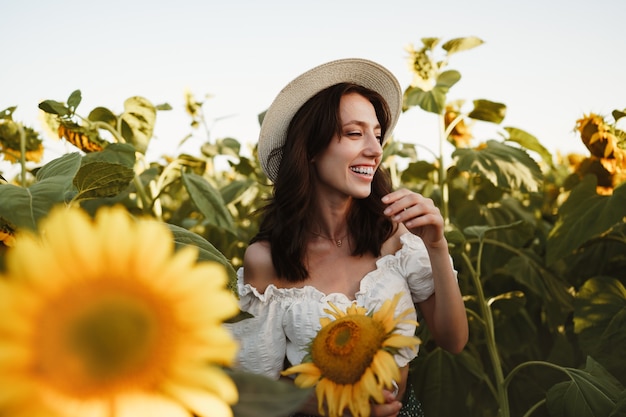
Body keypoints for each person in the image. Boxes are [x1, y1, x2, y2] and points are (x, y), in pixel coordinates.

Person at [226, 58, 468, 417]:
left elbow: (453, 341)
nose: (375, 149)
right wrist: (340, 408)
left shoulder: (395, 235)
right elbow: (259, 385)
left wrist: (436, 246)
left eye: (377, 133)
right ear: (309, 149)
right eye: (355, 133)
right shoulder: (267, 259)